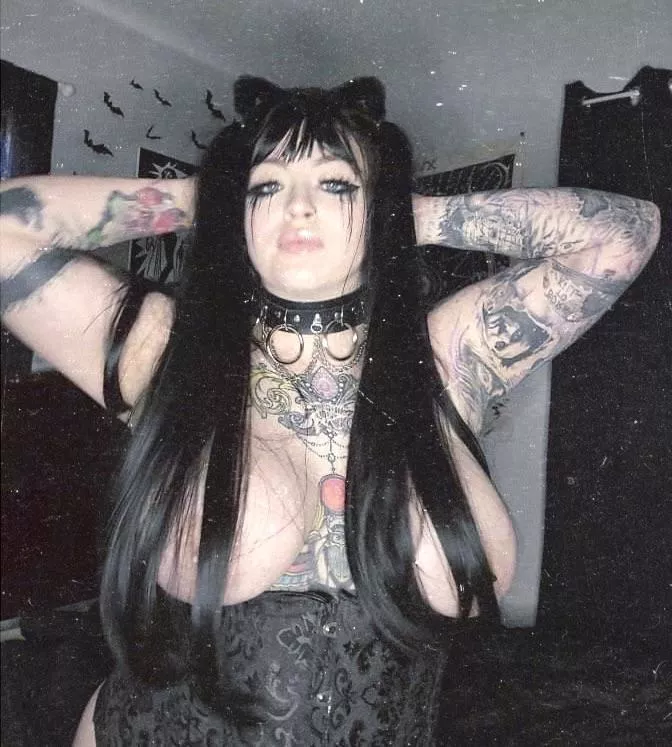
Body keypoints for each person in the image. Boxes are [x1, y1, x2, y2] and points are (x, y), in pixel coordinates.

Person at [0, 76, 660, 745]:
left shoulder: (448, 356)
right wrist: (216, 196)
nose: (298, 207)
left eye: (337, 184)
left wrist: (409, 213)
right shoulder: (172, 352)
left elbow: (626, 232)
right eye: (267, 186)